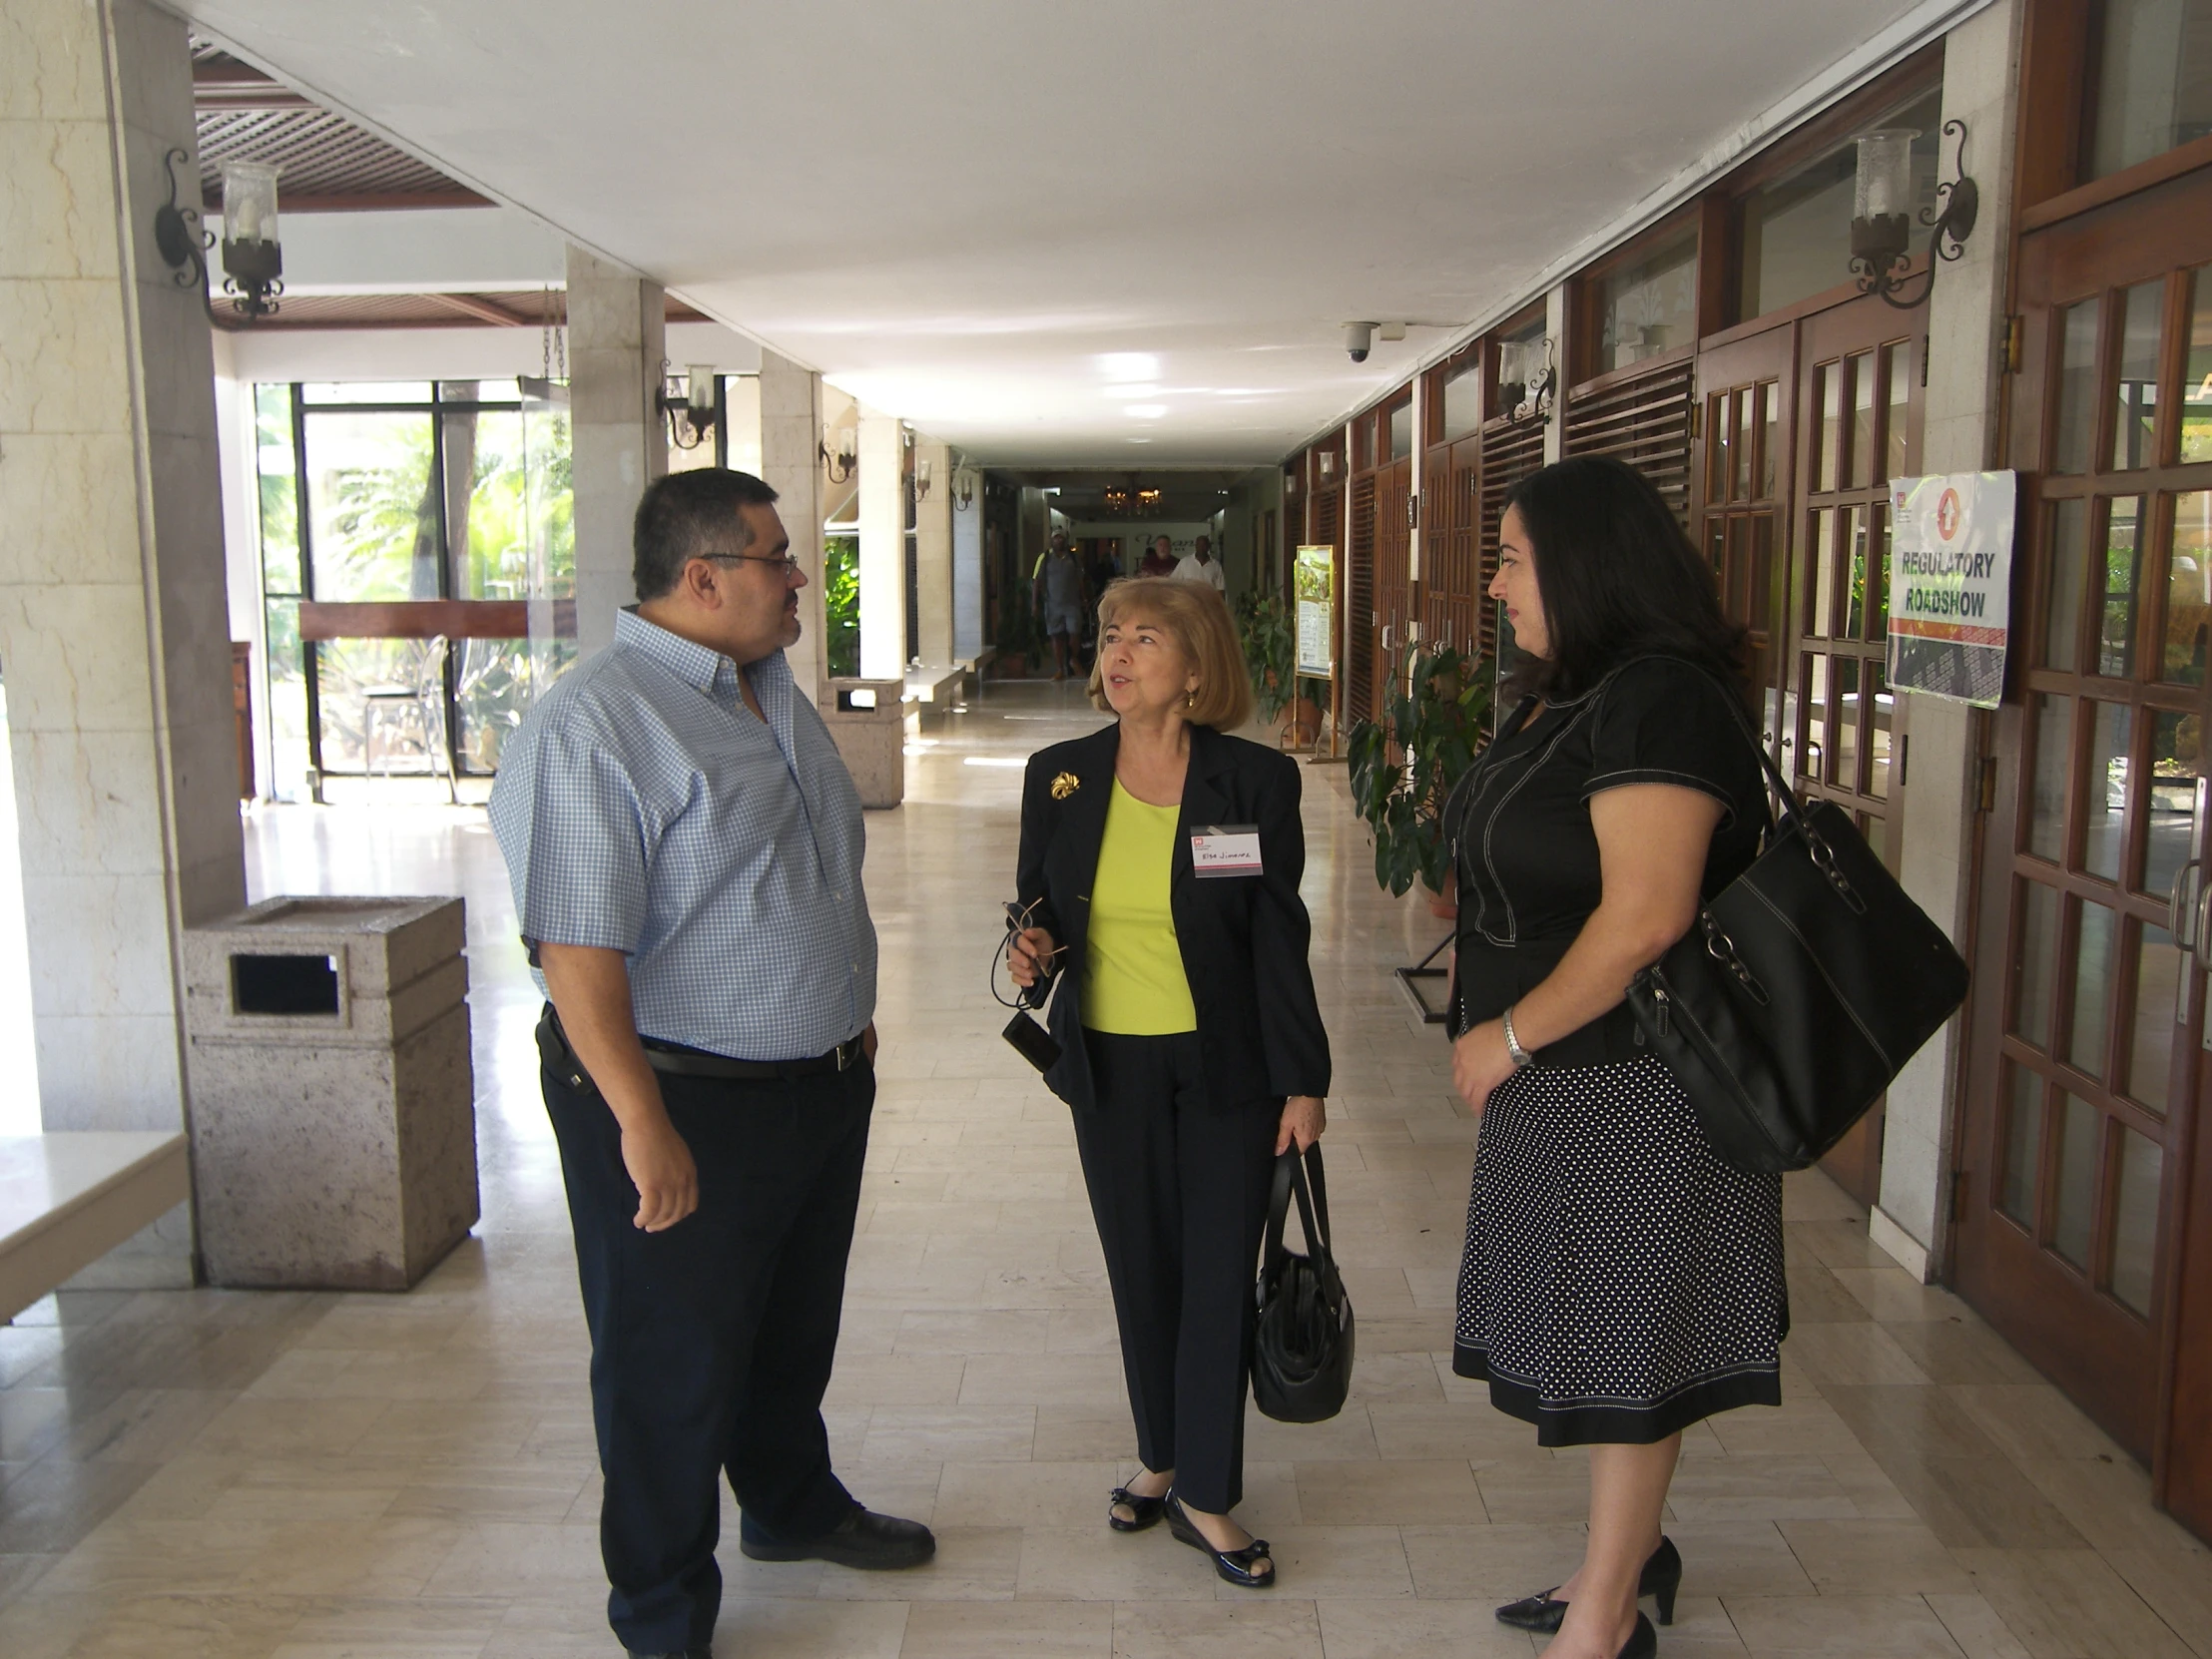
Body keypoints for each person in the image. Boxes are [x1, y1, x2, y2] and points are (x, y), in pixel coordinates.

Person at [488, 468, 934, 1659]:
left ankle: (789, 1506)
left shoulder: (764, 689)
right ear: (703, 578)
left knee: (790, 1328)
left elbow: (798, 876)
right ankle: (660, 1607)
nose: (799, 577)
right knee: (667, 1362)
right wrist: (640, 1122)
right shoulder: (592, 726)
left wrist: (843, 1013)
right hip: (682, 1099)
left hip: (815, 1084)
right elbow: (576, 950)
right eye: (778, 557)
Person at [1442, 455, 1783, 1659]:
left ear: (1585, 567)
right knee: (1592, 1333)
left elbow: (1644, 915)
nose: (1494, 587)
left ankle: (1602, 1621)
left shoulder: (1662, 700)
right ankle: (1623, 1558)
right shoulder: (1569, 694)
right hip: (1564, 1081)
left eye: (1513, 561)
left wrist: (1509, 1035)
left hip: (1639, 1083)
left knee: (1629, 1342)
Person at [1008, 576, 1330, 1591]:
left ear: (1195, 669)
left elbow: (1280, 940)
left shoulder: (1253, 784)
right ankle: (1160, 1453)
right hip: (1107, 1062)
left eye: (1144, 638)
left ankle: (1207, 1493)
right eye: (1110, 636)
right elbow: (1035, 901)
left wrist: (1303, 1079)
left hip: (1224, 1067)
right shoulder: (1058, 775)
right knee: (1138, 1265)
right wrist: (1032, 946)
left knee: (1214, 1276)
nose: (1116, 653)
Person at [1035, 529, 1088, 680]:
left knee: (1075, 633)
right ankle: (1060, 669)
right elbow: (1037, 581)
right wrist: (1034, 603)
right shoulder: (1045, 558)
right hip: (1052, 604)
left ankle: (1072, 658)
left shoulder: (1073, 557)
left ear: (1065, 540)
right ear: (1052, 540)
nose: (1059, 541)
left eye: (1061, 538)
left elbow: (1080, 580)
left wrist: (1084, 598)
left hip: (1072, 603)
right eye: (1056, 538)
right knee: (1056, 636)